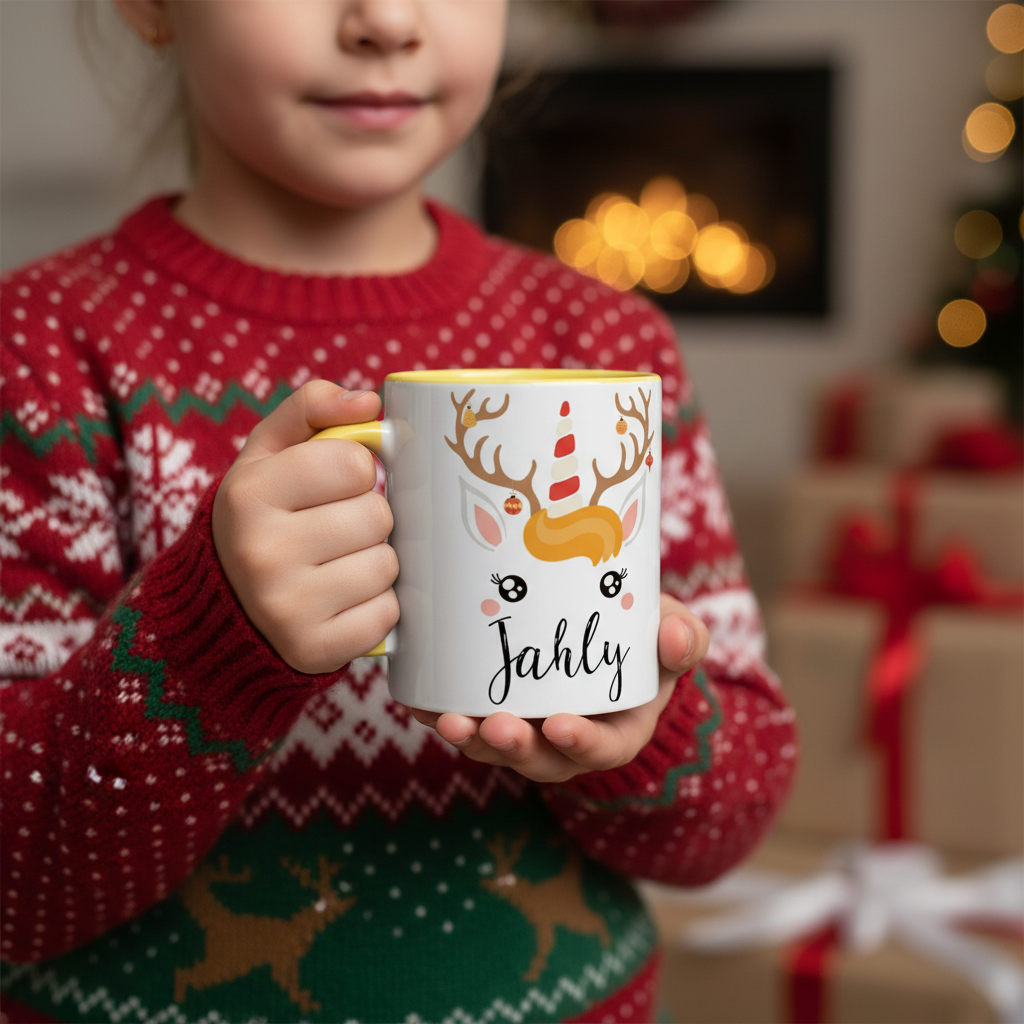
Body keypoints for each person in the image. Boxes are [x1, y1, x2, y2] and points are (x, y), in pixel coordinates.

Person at [0, 2, 797, 1021]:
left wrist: (642, 723)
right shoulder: (38, 354)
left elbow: (727, 828)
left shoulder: (605, 342)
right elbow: (18, 890)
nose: (387, 18)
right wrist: (206, 646)